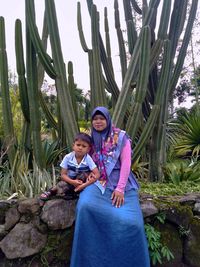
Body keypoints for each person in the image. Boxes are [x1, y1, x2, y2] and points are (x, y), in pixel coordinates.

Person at [70, 106, 150, 267]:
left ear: (108, 120)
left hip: (121, 182)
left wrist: (120, 189)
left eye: (101, 118)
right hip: (98, 182)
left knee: (134, 223)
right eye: (95, 119)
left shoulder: (120, 137)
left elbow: (126, 163)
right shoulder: (90, 139)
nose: (98, 122)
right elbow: (82, 160)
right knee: (84, 206)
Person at [40, 132, 100, 201]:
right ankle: (51, 192)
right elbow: (63, 175)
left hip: (82, 182)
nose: (80, 148)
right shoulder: (68, 157)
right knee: (61, 185)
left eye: (84, 146)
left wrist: (85, 184)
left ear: (88, 149)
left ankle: (72, 193)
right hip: (69, 180)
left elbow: (97, 174)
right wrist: (72, 182)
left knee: (83, 175)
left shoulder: (88, 159)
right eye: (78, 145)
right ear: (73, 146)